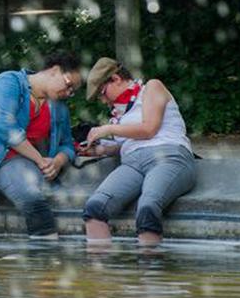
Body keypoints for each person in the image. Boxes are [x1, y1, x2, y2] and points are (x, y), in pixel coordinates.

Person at [0, 52, 81, 238]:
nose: (69, 93)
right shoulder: (8, 82)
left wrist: (58, 161)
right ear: (55, 70)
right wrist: (40, 160)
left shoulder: (59, 108)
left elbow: (67, 144)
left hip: (17, 161)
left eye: (73, 91)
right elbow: (5, 127)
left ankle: (47, 263)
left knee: (34, 202)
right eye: (69, 84)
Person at [79, 57, 196, 246]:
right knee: (94, 208)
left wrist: (107, 129)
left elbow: (149, 129)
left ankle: (150, 272)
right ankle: (99, 271)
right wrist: (101, 150)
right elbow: (130, 141)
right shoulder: (120, 112)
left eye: (102, 93)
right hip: (132, 163)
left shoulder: (152, 87)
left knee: (147, 206)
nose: (103, 100)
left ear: (116, 79)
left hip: (167, 156)